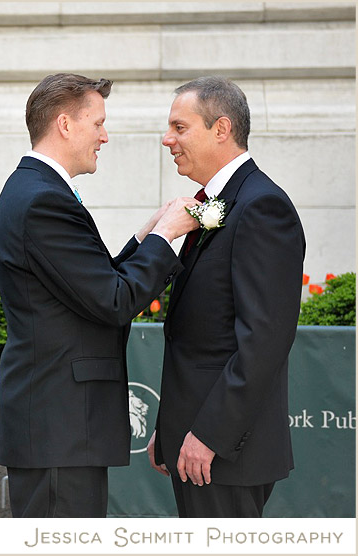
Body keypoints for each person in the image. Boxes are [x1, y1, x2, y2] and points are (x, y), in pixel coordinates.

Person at [0, 73, 199, 518]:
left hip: (58, 428)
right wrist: (166, 235)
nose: (105, 136)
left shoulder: (37, 190)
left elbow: (89, 282)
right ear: (65, 125)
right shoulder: (42, 199)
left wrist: (146, 236)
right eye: (98, 123)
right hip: (59, 429)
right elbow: (113, 299)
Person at [147, 76, 306, 518]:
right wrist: (172, 426)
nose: (167, 139)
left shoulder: (262, 207)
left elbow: (264, 340)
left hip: (226, 454)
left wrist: (209, 435)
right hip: (192, 441)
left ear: (221, 129)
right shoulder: (215, 205)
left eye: (180, 127)